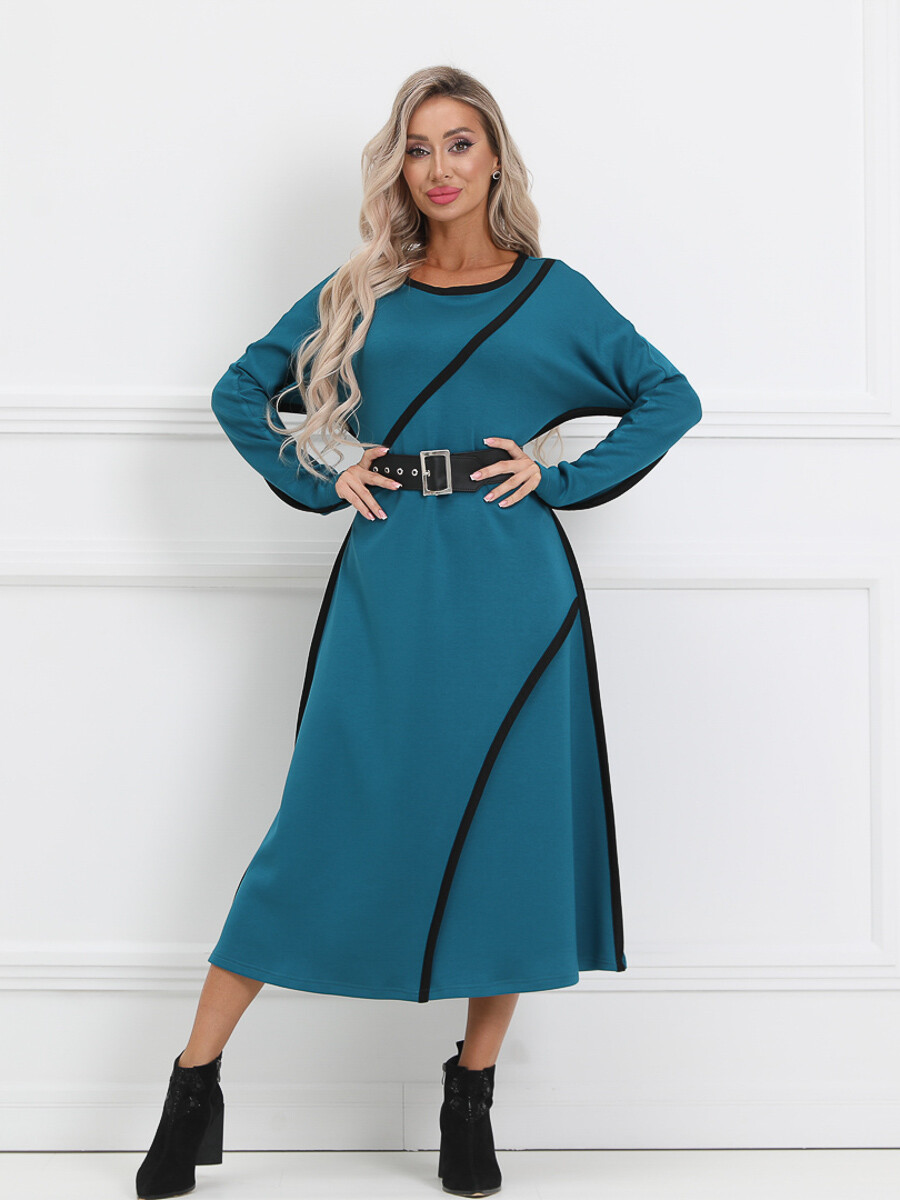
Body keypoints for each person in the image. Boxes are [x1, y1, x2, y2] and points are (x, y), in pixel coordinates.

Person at [136, 64, 702, 1200]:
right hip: (391, 580)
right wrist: (330, 467)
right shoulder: (362, 291)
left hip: (517, 595)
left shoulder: (555, 295)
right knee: (319, 822)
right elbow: (243, 391)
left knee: (510, 834)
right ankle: (192, 1086)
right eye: (417, 146)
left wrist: (554, 472)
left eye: (459, 143)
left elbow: (668, 396)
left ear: (495, 160)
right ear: (397, 167)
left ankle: (470, 1093)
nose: (438, 167)